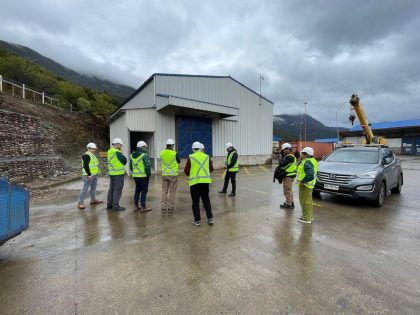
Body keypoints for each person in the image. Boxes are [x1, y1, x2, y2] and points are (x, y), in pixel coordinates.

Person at [184, 142, 214, 226]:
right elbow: (211, 169)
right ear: (201, 149)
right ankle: (210, 218)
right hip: (205, 182)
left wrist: (193, 173)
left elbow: (186, 171)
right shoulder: (207, 157)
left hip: (194, 183)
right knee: (206, 200)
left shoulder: (191, 157)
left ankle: (197, 220)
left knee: (195, 202)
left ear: (193, 149)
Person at [296, 147, 318, 224]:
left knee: (305, 202)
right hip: (308, 185)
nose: (301, 154)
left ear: (306, 154)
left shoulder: (307, 162)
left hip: (305, 185)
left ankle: (306, 218)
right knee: (308, 201)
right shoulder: (312, 161)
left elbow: (310, 175)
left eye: (302, 153)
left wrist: (303, 181)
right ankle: (309, 216)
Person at [78, 142, 103, 209]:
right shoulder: (86, 155)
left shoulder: (92, 155)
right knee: (85, 188)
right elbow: (86, 166)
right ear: (88, 148)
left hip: (94, 175)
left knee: (93, 188)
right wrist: (89, 175)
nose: (94, 150)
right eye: (93, 149)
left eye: (95, 149)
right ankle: (81, 202)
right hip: (88, 175)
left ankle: (93, 200)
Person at [130, 141, 152, 213]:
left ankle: (136, 206)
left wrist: (135, 172)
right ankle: (143, 207)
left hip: (136, 176)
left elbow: (131, 166)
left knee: (137, 191)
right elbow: (147, 167)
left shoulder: (132, 155)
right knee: (144, 191)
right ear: (142, 147)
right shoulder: (144, 155)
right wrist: (148, 174)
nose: (146, 148)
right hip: (143, 177)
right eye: (145, 147)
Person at [160, 139, 180, 213]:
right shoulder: (175, 153)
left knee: (164, 191)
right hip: (173, 175)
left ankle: (163, 207)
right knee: (172, 191)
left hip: (164, 174)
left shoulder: (162, 153)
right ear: (172, 145)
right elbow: (179, 161)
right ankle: (170, 207)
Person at [106, 138, 127, 211]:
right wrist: (121, 152)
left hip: (112, 173)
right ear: (117, 144)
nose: (121, 146)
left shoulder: (109, 151)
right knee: (117, 190)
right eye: (121, 145)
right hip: (118, 174)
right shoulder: (117, 152)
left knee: (111, 189)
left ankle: (109, 205)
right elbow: (124, 161)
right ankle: (116, 206)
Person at [278, 143, 297, 209]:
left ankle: (289, 204)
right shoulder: (291, 156)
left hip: (288, 176)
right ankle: (291, 202)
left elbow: (281, 164)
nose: (282, 151)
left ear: (287, 149)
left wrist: (280, 157)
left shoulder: (289, 157)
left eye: (283, 150)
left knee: (287, 190)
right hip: (291, 175)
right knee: (289, 190)